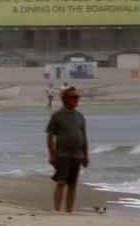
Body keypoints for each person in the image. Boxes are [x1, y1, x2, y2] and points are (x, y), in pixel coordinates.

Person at [46, 85, 89, 214]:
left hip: (77, 155)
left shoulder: (80, 116)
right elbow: (50, 136)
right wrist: (52, 155)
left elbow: (84, 136)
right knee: (61, 182)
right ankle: (57, 210)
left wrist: (86, 155)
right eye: (74, 97)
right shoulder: (57, 115)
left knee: (72, 184)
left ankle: (69, 212)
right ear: (65, 99)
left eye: (78, 97)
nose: (77, 99)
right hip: (62, 154)